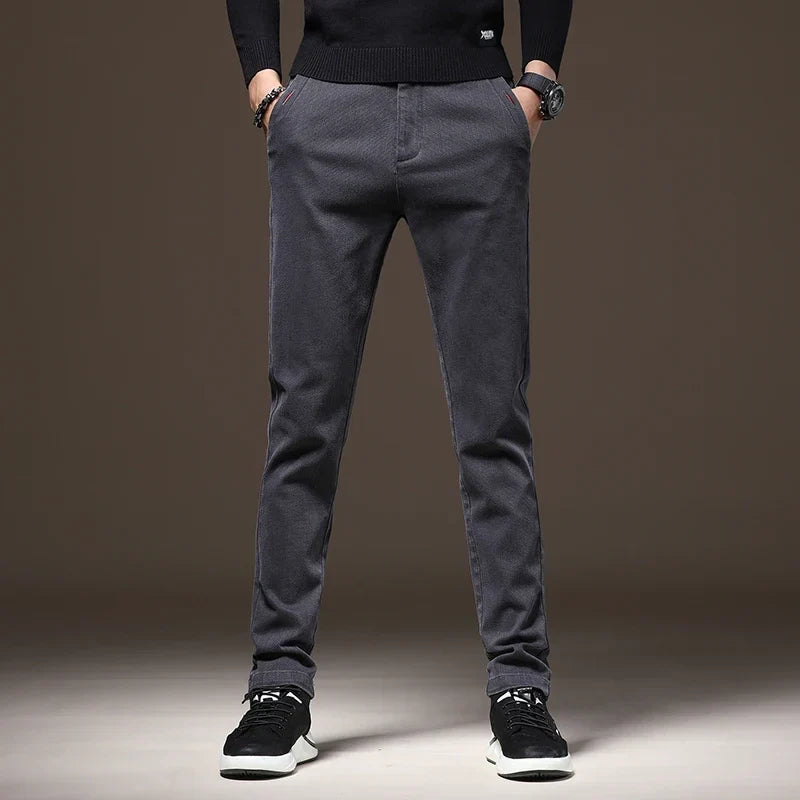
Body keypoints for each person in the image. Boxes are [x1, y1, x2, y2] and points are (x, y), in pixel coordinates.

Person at [220, 0, 573, 781]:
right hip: (327, 117)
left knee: (494, 417)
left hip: (472, 114)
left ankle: (520, 687)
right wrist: (266, 89)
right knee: (303, 414)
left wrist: (536, 83)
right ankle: (277, 684)